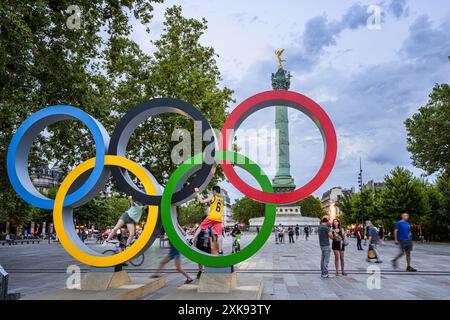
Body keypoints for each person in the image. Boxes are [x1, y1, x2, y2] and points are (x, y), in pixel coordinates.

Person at [192, 186, 224, 254]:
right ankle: (220, 250)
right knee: (219, 235)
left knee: (200, 227)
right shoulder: (221, 200)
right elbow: (212, 204)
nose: (212, 193)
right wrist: (204, 198)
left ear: (214, 191)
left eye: (212, 191)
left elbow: (201, 201)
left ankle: (192, 240)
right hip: (218, 218)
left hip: (211, 216)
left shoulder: (213, 197)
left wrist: (197, 193)